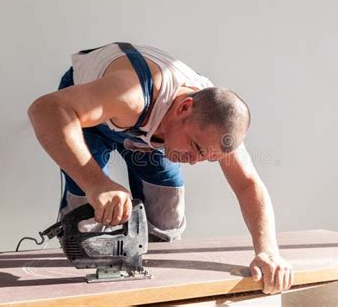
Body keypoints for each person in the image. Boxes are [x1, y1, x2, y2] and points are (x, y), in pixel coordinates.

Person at [28, 42, 294, 294]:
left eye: (207, 158)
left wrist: (267, 251)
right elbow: (45, 109)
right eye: (196, 149)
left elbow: (248, 184)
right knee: (86, 216)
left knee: (168, 209)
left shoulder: (219, 124)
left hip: (151, 126)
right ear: (184, 107)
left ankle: (148, 286)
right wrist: (95, 183)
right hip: (89, 108)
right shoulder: (130, 95)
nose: (193, 161)